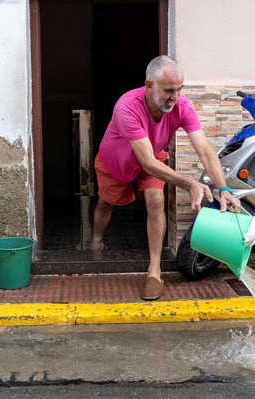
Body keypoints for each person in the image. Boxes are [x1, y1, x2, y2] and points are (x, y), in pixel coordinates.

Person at [91, 55, 242, 300]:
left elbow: (204, 150)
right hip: (116, 161)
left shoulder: (182, 106)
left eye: (179, 89)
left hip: (152, 157)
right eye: (169, 90)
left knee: (156, 202)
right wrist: (189, 183)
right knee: (105, 202)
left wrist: (225, 189)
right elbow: (146, 161)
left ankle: (154, 270)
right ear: (149, 85)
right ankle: (96, 241)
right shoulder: (126, 105)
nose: (175, 96)